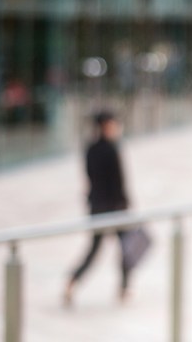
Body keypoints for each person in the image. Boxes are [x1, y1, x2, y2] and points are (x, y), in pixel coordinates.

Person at [63, 110, 133, 307]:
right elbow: (118, 183)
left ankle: (72, 281)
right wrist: (125, 206)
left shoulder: (90, 149)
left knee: (96, 250)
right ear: (105, 126)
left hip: (97, 207)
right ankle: (124, 287)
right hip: (115, 208)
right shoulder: (111, 149)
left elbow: (90, 179)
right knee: (125, 248)